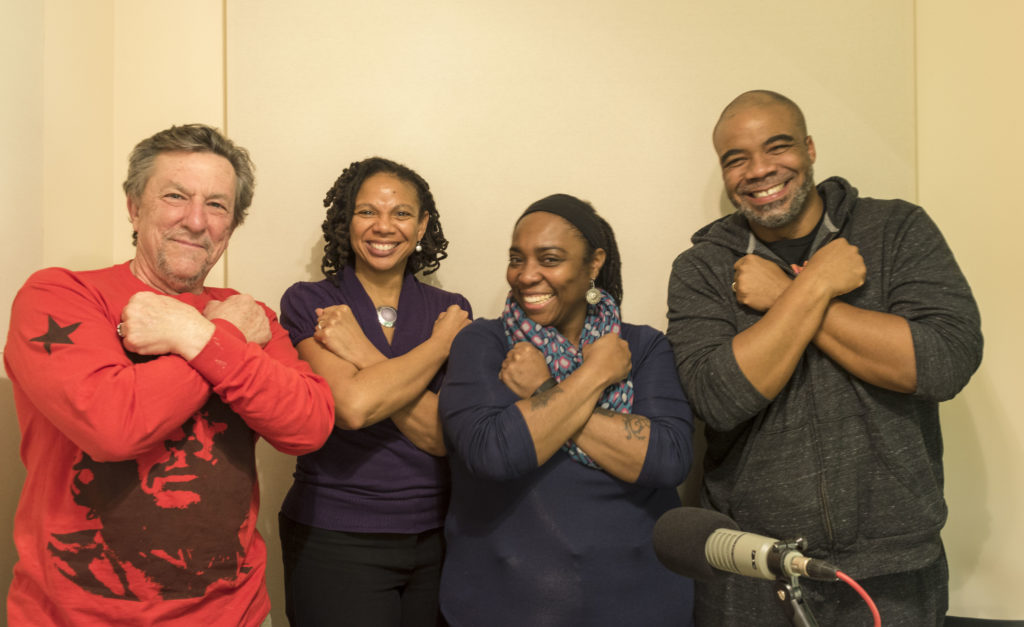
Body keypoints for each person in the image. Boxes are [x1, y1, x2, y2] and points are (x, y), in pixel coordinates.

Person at [666, 90, 983, 625]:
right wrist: (815, 287)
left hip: (894, 571)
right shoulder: (701, 269)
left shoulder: (897, 230)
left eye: (777, 146)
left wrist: (784, 298)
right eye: (736, 159)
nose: (759, 170)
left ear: (810, 149)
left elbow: (943, 362)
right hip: (752, 573)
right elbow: (719, 398)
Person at [3, 124, 336, 626]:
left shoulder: (249, 315)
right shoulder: (60, 295)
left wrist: (197, 335)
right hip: (74, 616)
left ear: (232, 224)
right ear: (135, 207)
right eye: (175, 196)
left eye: (218, 205)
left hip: (236, 615)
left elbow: (308, 427)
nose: (196, 220)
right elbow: (112, 427)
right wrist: (223, 338)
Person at [439, 194, 695, 626]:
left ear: (595, 264)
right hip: (500, 606)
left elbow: (667, 458)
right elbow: (494, 452)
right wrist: (595, 376)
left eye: (550, 258)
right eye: (516, 258)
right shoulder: (483, 343)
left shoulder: (642, 347)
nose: (526, 275)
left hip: (641, 604)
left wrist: (543, 389)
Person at [277, 157, 471, 626]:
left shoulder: (449, 310)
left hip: (438, 537)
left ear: (422, 224)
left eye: (401, 213)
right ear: (347, 220)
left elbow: (443, 437)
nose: (384, 227)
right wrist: (438, 347)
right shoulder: (311, 302)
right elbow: (353, 406)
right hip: (334, 535)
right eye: (368, 212)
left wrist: (361, 354)